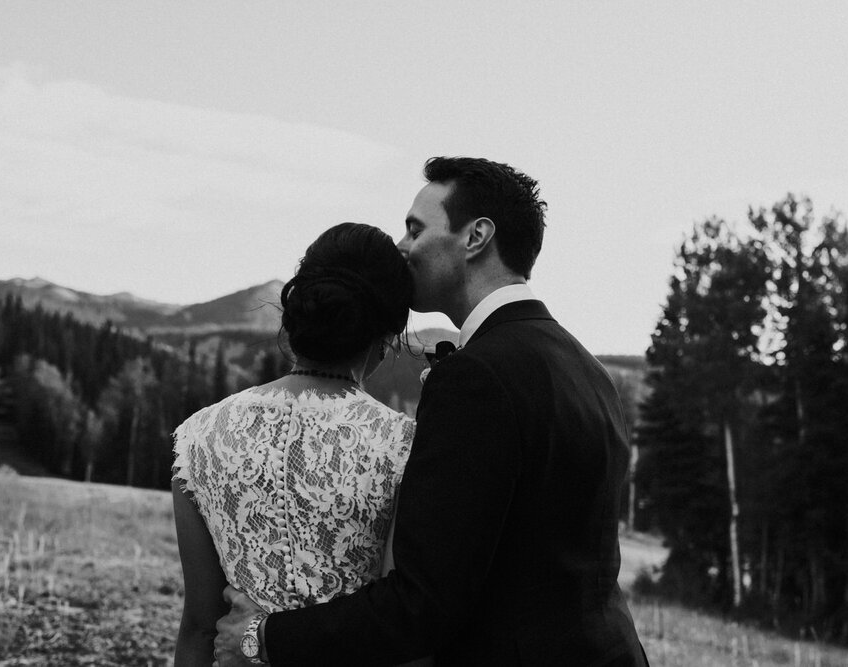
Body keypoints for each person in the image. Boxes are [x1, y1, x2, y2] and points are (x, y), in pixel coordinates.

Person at [215, 157, 649, 665]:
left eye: (416, 229)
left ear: (476, 237)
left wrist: (263, 638)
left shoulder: (478, 377)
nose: (402, 246)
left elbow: (424, 605)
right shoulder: (585, 369)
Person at [171, 222, 417, 666]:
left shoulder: (198, 435)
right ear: (387, 333)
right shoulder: (403, 445)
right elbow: (401, 631)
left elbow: (200, 626)